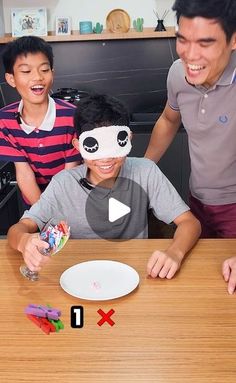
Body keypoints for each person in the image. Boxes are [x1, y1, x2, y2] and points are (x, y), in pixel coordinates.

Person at [7, 93, 201, 278]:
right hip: (77, 273)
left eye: (114, 146)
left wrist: (175, 253)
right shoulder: (63, 183)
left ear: (128, 139)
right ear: (78, 145)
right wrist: (24, 241)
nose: (106, 158)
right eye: (95, 148)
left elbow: (190, 223)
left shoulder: (145, 171)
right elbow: (19, 228)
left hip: (135, 272)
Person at [145, 0, 236, 238]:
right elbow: (168, 119)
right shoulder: (178, 73)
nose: (190, 54)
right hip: (197, 201)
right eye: (183, 39)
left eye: (205, 43)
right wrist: (144, 169)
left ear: (233, 40)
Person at [0, 35, 82, 208]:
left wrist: (60, 213)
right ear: (11, 79)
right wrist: (44, 214)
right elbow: (24, 173)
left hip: (71, 197)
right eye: (26, 71)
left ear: (52, 73)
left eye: (44, 70)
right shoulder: (5, 120)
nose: (37, 77)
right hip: (34, 201)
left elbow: (71, 172)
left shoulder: (72, 116)